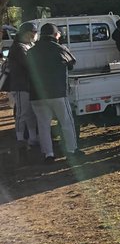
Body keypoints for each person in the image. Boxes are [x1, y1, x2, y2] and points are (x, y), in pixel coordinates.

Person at [27, 23, 83, 162]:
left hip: (36, 94)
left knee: (43, 125)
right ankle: (72, 150)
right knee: (66, 122)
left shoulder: (31, 51)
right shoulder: (59, 48)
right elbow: (72, 63)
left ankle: (48, 154)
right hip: (57, 93)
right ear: (55, 34)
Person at [7, 22, 38, 150]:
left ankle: (33, 138)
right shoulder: (19, 47)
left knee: (31, 114)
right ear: (27, 33)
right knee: (22, 113)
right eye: (34, 32)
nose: (35, 35)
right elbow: (29, 63)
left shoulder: (28, 45)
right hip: (21, 86)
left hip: (28, 85)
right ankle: (20, 139)